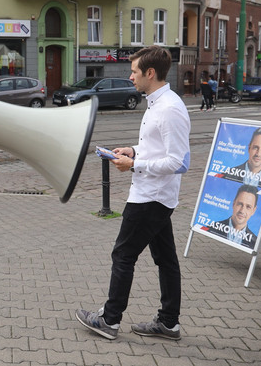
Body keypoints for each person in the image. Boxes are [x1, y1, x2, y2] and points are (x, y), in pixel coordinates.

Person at [75, 45, 190, 341]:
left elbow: (179, 162)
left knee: (123, 254)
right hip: (155, 194)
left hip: (151, 196)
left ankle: (109, 320)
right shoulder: (156, 103)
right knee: (166, 259)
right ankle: (169, 323)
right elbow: (157, 149)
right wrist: (133, 150)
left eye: (135, 71)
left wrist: (134, 163)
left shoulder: (170, 108)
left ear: (150, 73)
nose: (131, 77)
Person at [208, 185, 258, 249]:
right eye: (240, 204)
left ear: (253, 210)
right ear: (233, 204)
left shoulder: (254, 242)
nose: (242, 211)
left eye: (248, 207)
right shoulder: (212, 228)